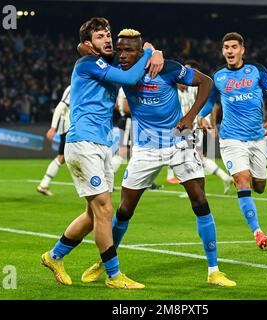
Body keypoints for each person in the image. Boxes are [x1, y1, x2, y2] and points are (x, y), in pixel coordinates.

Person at [81, 29, 236, 287]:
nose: (122, 55)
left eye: (128, 50)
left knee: (200, 200)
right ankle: (106, 262)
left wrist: (189, 117)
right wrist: (153, 50)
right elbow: (83, 49)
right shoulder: (121, 71)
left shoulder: (168, 68)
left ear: (139, 51)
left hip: (178, 142)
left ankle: (214, 270)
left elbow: (207, 83)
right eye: (119, 50)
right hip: (145, 148)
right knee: (125, 209)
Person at [40, 17, 164, 290]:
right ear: (88, 43)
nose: (107, 39)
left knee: (92, 214)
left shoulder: (104, 62)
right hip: (82, 143)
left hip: (100, 145)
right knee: (106, 209)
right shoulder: (87, 63)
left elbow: (132, 64)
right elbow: (131, 76)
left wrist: (155, 51)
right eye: (99, 36)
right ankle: (113, 275)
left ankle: (54, 256)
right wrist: (148, 53)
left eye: (108, 34)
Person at [197, 32, 267, 250]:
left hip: (257, 138)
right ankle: (258, 232)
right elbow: (210, 103)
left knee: (260, 186)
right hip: (231, 139)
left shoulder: (257, 70)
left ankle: (251, 185)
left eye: (234, 47)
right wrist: (200, 115)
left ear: (242, 50)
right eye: (226, 47)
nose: (229, 51)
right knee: (242, 180)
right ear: (222, 51)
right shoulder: (218, 77)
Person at [166, 60, 233, 194]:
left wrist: (211, 125)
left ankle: (196, 189)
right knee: (195, 158)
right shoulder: (182, 90)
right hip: (185, 128)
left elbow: (212, 106)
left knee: (194, 158)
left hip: (195, 127)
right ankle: (224, 178)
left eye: (189, 70)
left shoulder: (197, 89)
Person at [37, 85, 71, 196]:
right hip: (69, 127)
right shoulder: (74, 86)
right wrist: (53, 127)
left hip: (73, 128)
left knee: (63, 158)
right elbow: (61, 106)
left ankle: (44, 184)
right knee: (65, 157)